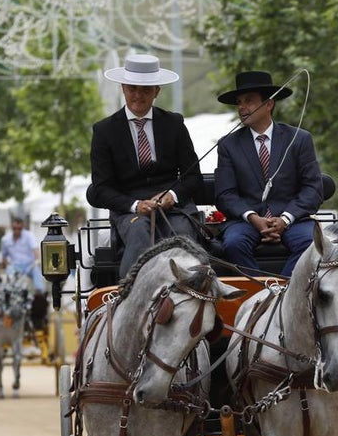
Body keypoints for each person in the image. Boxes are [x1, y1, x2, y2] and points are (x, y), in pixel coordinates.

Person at [87, 53, 203, 278]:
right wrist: (135, 205)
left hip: (174, 209)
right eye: (132, 89)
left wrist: (172, 195)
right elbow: (101, 188)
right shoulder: (104, 131)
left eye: (145, 90)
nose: (137, 96)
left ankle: (192, 293)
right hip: (129, 209)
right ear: (123, 88)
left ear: (157, 91)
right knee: (139, 232)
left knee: (181, 235)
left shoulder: (174, 124)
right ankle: (131, 293)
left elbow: (193, 176)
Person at [214, 71, 324, 276]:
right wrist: (254, 218)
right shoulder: (228, 145)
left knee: (311, 244)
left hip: (293, 220)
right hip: (246, 222)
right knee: (233, 244)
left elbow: (313, 189)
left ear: (269, 104)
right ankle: (260, 297)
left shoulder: (299, 139)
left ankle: (284, 296)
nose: (241, 107)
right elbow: (225, 194)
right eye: (239, 102)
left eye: (249, 101)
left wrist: (285, 219)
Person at [0, 216, 44, 292]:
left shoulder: (29, 236)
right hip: (14, 266)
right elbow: (4, 256)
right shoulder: (5, 239)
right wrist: (7, 265)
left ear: (22, 227)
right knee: (9, 277)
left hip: (29, 265)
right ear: (11, 227)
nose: (16, 230)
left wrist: (36, 261)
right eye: (14, 228)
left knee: (36, 272)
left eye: (19, 229)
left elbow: (36, 250)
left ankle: (40, 294)